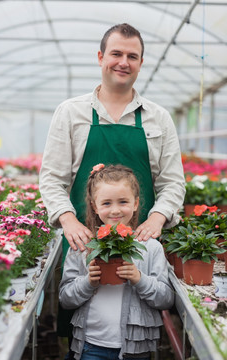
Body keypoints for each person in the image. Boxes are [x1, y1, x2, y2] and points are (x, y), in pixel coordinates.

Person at [39, 22, 185, 344]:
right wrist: (68, 220)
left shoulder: (157, 118)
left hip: (141, 245)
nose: (124, 62)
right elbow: (51, 178)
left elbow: (174, 183)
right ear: (101, 57)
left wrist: (158, 217)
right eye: (116, 53)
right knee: (81, 323)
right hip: (85, 241)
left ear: (141, 63)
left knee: (138, 322)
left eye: (132, 56)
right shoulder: (71, 112)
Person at [59, 164, 174, 360]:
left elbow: (166, 299)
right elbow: (65, 299)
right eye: (106, 203)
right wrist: (88, 282)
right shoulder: (82, 246)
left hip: (135, 349)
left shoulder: (150, 247)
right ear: (94, 206)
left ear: (136, 203)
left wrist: (139, 279)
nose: (115, 210)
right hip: (90, 346)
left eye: (123, 201)